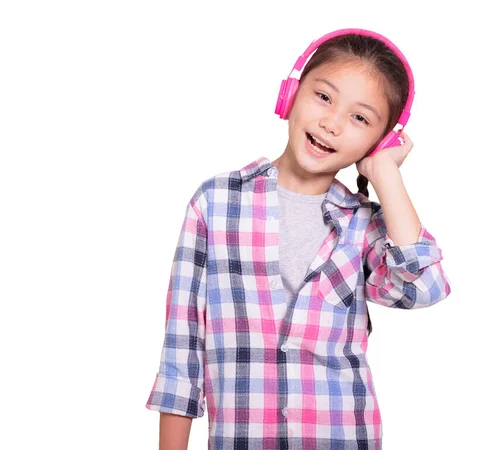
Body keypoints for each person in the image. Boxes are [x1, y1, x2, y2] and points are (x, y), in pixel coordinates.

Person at [145, 28, 452, 450]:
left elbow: (424, 288)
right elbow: (182, 353)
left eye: (360, 118)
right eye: (323, 97)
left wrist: (385, 174)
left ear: (378, 141)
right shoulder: (214, 204)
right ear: (290, 93)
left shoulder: (364, 225)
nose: (332, 123)